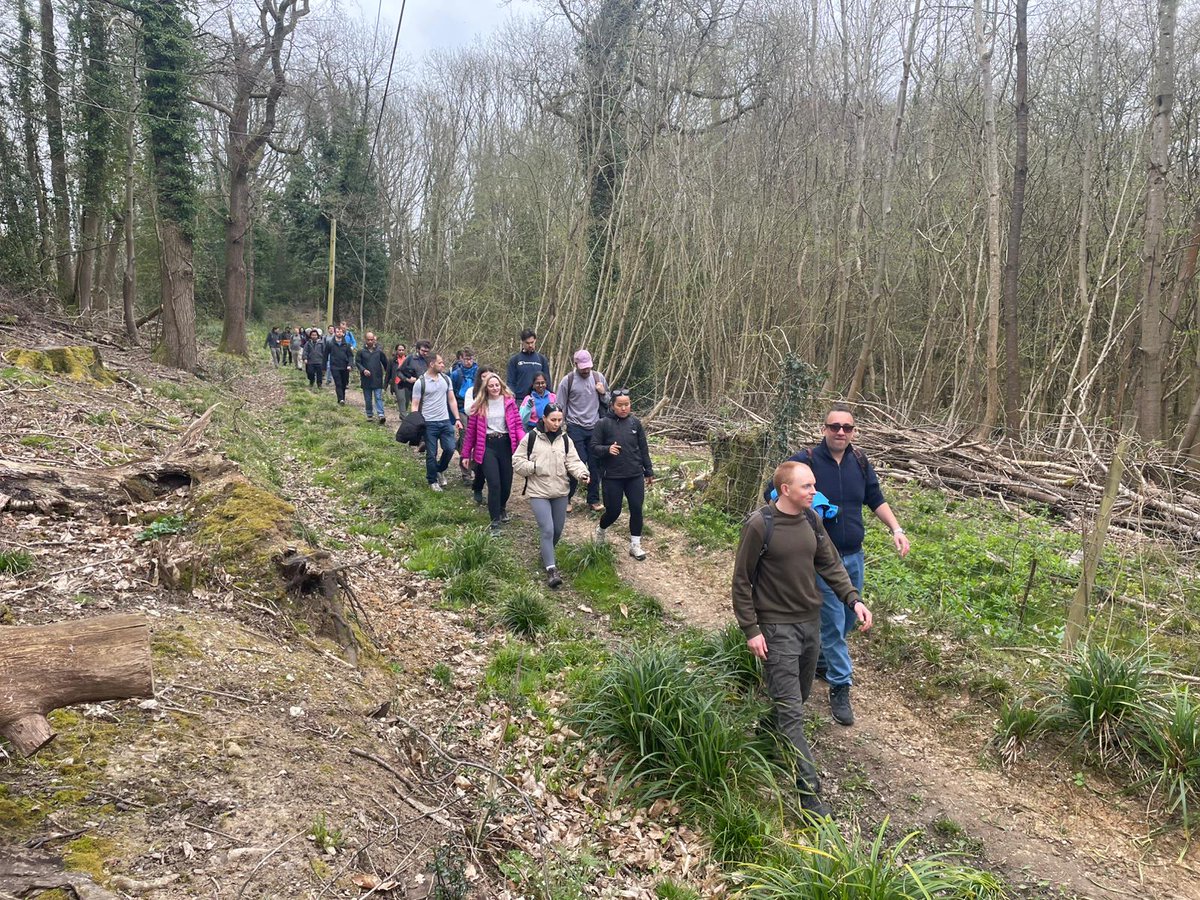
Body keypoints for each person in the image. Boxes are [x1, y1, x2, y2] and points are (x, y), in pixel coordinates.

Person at [732, 460, 872, 817]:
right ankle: (809, 794)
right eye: (807, 487)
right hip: (776, 628)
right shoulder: (760, 525)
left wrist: (853, 599)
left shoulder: (812, 520)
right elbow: (742, 582)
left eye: (814, 486)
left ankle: (765, 733)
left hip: (810, 623)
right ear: (786, 490)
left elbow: (829, 564)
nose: (814, 491)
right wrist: (751, 629)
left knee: (801, 694)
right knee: (793, 711)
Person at [773, 403, 909, 727]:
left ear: (854, 432)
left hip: (854, 555)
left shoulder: (859, 463)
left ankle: (819, 660)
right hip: (819, 559)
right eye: (834, 426)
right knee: (833, 623)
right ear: (824, 429)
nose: (840, 432)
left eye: (847, 428)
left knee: (848, 617)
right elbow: (774, 493)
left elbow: (875, 498)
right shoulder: (805, 461)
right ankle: (840, 686)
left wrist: (897, 529)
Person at [511, 405, 589, 589]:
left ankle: (546, 553)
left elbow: (573, 462)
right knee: (547, 529)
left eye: (559, 420)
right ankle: (551, 570)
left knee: (557, 530)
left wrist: (582, 474)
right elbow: (517, 461)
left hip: (561, 490)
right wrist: (535, 467)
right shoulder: (530, 438)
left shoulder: (566, 440)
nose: (556, 424)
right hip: (538, 491)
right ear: (544, 418)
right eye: (553, 420)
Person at [591, 389, 654, 560]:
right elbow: (594, 447)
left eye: (627, 404)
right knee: (613, 511)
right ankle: (601, 530)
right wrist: (607, 449)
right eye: (620, 405)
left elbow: (643, 448)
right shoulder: (603, 424)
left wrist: (648, 471)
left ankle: (635, 545)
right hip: (612, 476)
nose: (624, 408)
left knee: (636, 508)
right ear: (612, 405)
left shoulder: (635, 423)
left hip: (634, 474)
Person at [461, 372, 523, 533]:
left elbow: (517, 427)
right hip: (488, 446)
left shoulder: (509, 403)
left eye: (497, 385)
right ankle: (494, 521)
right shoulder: (479, 405)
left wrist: (525, 443)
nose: (495, 388)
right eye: (491, 386)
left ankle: (502, 507)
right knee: (494, 484)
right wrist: (466, 454)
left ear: (501, 386)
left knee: (506, 484)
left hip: (506, 444)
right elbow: (471, 433)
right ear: (486, 388)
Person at [555, 349, 608, 512]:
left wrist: (603, 392)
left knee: (595, 465)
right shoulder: (568, 381)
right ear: (576, 364)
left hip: (595, 427)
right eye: (583, 367)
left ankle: (593, 500)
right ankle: (567, 498)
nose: (586, 370)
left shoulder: (599, 378)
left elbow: (608, 401)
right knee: (576, 463)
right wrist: (557, 427)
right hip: (575, 427)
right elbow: (560, 405)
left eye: (588, 367)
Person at [412, 353, 463, 491]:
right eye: (440, 362)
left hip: (445, 421)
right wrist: (415, 422)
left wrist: (457, 418)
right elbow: (415, 404)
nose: (443, 365)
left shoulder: (446, 379)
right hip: (429, 423)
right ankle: (432, 480)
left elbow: (451, 400)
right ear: (431, 364)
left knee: (450, 448)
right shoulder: (420, 383)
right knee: (431, 453)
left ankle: (440, 469)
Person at [461, 366, 496, 505]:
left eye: (489, 376)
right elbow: (468, 410)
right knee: (479, 463)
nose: (487, 380)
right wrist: (481, 398)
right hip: (477, 431)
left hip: (493, 433)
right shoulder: (472, 392)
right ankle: (477, 486)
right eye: (484, 377)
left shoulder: (498, 393)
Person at [506, 329, 551, 403]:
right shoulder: (514, 360)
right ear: (522, 342)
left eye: (532, 342)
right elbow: (510, 382)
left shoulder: (542, 359)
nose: (530, 345)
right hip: (520, 400)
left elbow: (547, 381)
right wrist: (511, 398)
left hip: (539, 399)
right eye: (527, 343)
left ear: (535, 341)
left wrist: (550, 397)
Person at [356, 332, 389, 424]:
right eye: (368, 340)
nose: (370, 341)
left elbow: (385, 364)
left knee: (378, 396)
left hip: (377, 377)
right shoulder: (361, 352)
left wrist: (389, 376)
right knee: (368, 398)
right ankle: (369, 414)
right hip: (366, 379)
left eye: (372, 339)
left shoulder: (379, 352)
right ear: (365, 340)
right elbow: (358, 363)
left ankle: (381, 414)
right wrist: (363, 370)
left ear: (374, 340)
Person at [326, 326, 355, 405]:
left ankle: (342, 398)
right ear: (335, 332)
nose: (339, 333)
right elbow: (325, 354)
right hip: (334, 366)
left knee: (343, 383)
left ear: (343, 333)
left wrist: (350, 364)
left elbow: (350, 356)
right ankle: (341, 399)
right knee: (338, 383)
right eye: (337, 331)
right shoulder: (330, 343)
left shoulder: (347, 345)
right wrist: (323, 366)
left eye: (340, 332)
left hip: (345, 366)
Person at [386, 343, 409, 415]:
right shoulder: (392, 360)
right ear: (396, 351)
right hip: (397, 382)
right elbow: (388, 373)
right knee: (401, 399)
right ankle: (404, 415)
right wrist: (385, 384)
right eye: (399, 350)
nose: (401, 351)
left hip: (407, 382)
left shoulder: (408, 359)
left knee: (407, 400)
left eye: (402, 350)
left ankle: (402, 414)